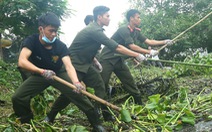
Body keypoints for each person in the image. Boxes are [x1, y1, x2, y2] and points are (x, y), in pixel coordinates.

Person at [45, 6, 146, 125]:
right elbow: (116, 47)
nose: (109, 19)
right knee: (69, 93)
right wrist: (137, 54)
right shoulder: (94, 30)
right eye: (107, 16)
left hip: (86, 64)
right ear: (99, 17)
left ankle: (106, 115)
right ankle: (50, 116)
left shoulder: (97, 29)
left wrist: (95, 61)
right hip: (75, 64)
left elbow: (86, 48)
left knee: (100, 86)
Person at [11, 12, 105, 131]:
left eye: (56, 31)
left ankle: (96, 123)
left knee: (80, 96)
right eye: (51, 30)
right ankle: (26, 120)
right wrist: (42, 71)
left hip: (59, 73)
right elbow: (22, 61)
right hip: (40, 74)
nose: (54, 34)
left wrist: (76, 82)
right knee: (18, 97)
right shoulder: (31, 41)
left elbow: (69, 66)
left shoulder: (60, 46)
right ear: (41, 29)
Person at [99, 9, 173, 104]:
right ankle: (103, 109)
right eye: (138, 17)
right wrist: (148, 52)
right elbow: (132, 46)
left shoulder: (136, 31)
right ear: (131, 18)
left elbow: (149, 41)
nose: (140, 19)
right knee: (102, 84)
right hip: (107, 59)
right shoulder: (124, 30)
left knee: (129, 81)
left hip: (119, 59)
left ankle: (139, 103)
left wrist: (165, 41)